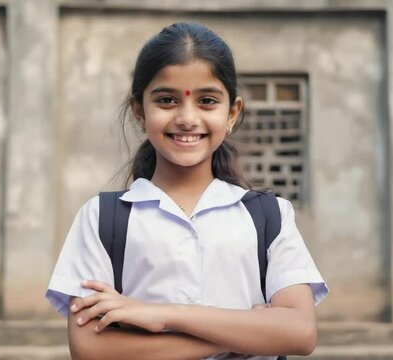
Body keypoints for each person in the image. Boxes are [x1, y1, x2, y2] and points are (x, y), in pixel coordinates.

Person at [46, 22, 328, 360]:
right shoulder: (102, 218)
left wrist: (162, 313)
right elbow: (90, 349)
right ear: (139, 111)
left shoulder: (269, 216)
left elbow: (299, 333)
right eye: (166, 100)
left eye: (207, 101)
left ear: (232, 113)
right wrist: (249, 332)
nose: (187, 118)